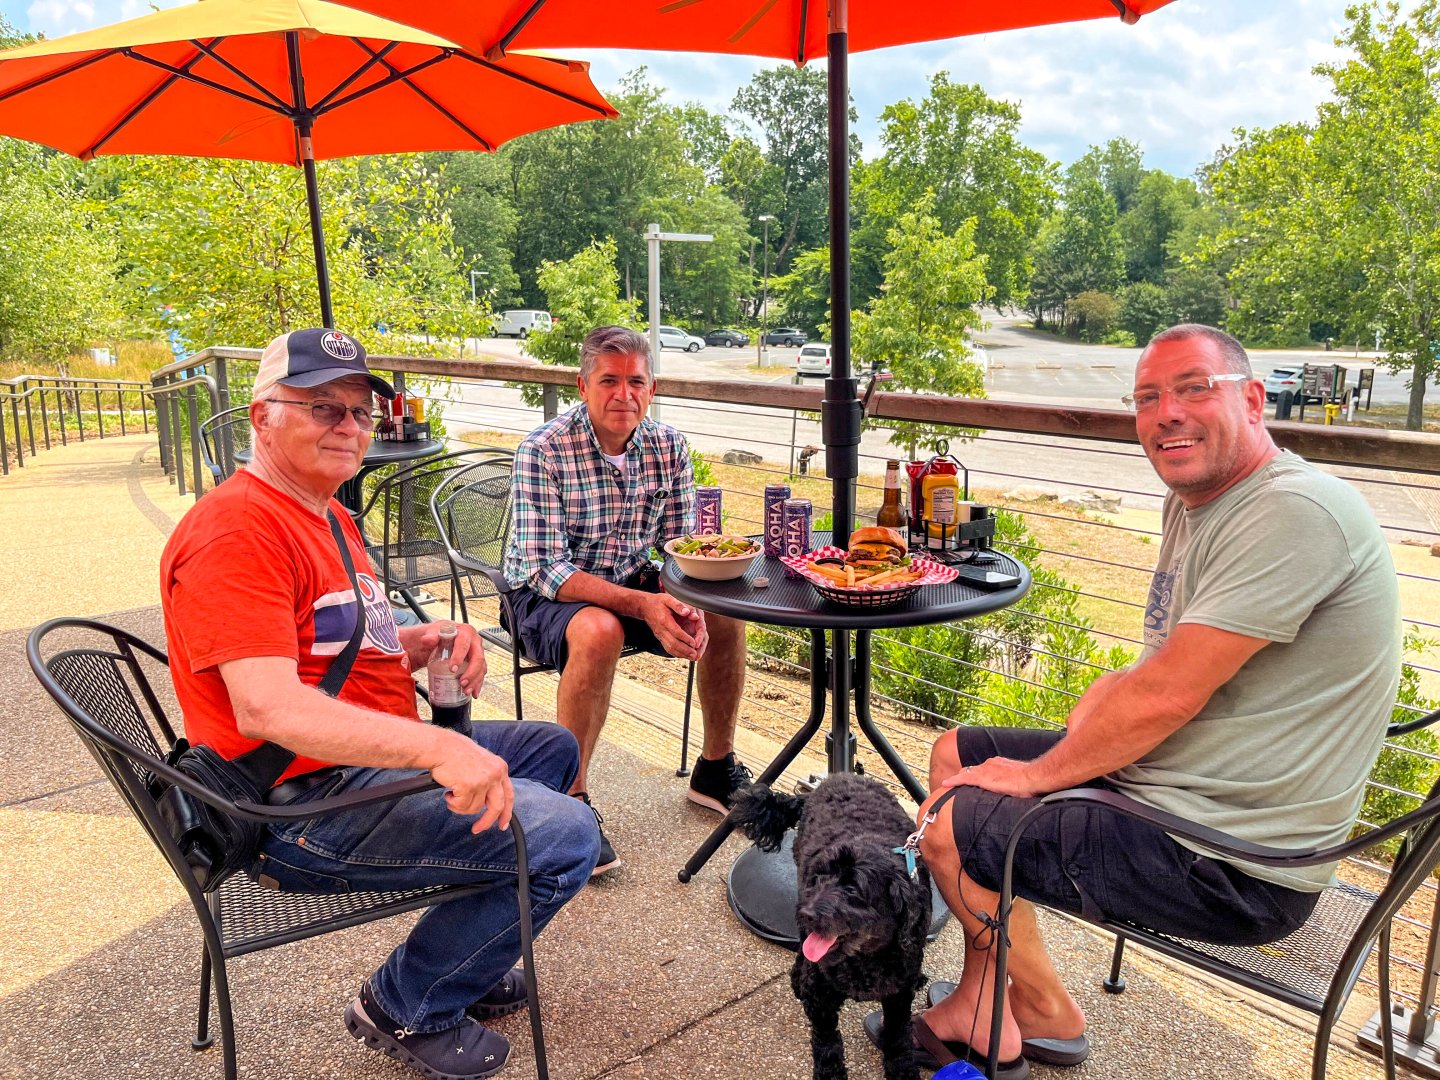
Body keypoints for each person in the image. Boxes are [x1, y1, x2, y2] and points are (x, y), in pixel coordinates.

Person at [901, 324, 1401, 1076]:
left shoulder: (1296, 511)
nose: (1166, 412)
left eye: (1193, 387)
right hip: (1180, 784)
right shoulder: (1200, 501)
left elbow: (1163, 695)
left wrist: (1040, 774)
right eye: (1146, 397)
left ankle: (1001, 1010)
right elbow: (1158, 678)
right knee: (956, 753)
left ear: (1255, 400)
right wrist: (1107, 713)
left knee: (952, 822)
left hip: (1234, 859)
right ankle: (1028, 1000)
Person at [160, 328, 599, 1080]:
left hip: (353, 765)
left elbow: (334, 632)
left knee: (553, 751)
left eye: (362, 413)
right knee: (565, 835)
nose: (351, 427)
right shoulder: (237, 531)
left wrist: (422, 640)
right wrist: (437, 747)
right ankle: (405, 1002)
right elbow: (267, 708)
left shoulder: (323, 510)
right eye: (323, 408)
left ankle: (467, 951)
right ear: (263, 416)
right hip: (299, 810)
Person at [503, 325, 750, 875]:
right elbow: (547, 569)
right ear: (582, 385)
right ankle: (570, 803)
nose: (624, 394)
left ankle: (714, 769)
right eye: (609, 380)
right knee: (599, 630)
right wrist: (644, 607)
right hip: (543, 596)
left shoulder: (670, 447)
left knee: (724, 615)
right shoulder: (543, 451)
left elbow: (679, 547)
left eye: (635, 381)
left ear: (652, 387)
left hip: (635, 581)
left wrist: (678, 596)